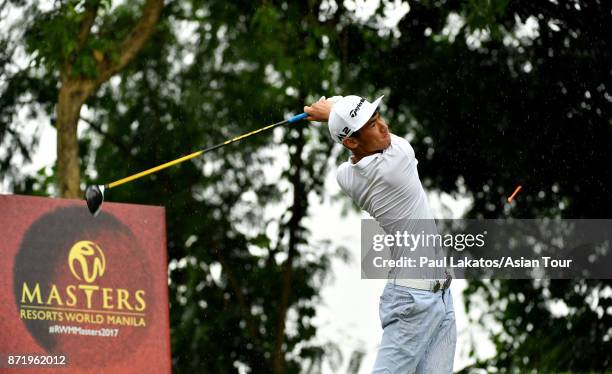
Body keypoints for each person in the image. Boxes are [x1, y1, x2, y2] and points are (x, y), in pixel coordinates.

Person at [304, 95, 456, 373]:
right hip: (413, 300)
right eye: (373, 125)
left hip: (440, 296)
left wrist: (338, 113)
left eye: (378, 118)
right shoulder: (396, 163)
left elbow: (356, 142)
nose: (384, 127)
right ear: (350, 142)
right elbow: (390, 144)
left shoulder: (346, 176)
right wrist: (333, 111)